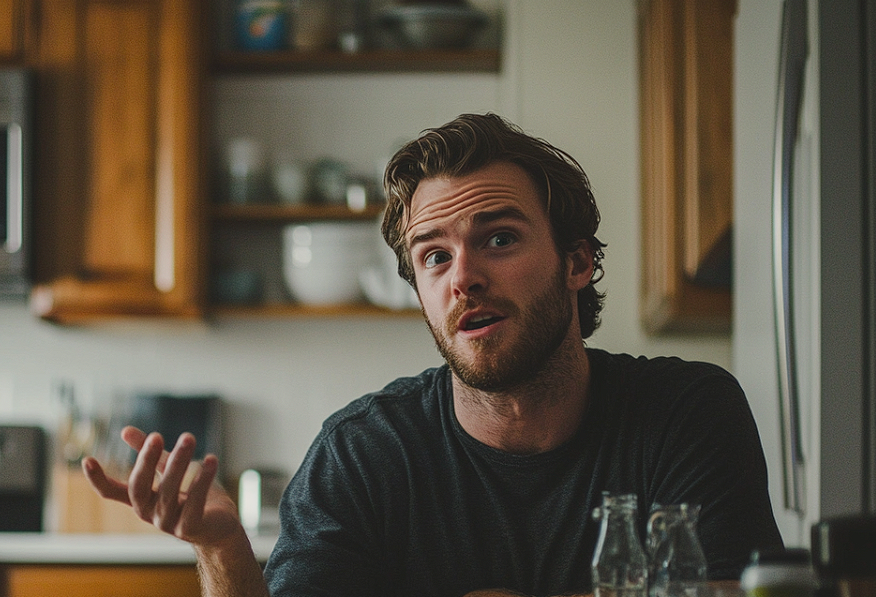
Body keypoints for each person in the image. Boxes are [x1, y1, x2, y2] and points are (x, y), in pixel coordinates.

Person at [82, 113, 783, 597]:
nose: (463, 276)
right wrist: (223, 549)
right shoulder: (362, 453)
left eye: (499, 239)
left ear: (576, 262)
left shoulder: (688, 414)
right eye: (435, 255)